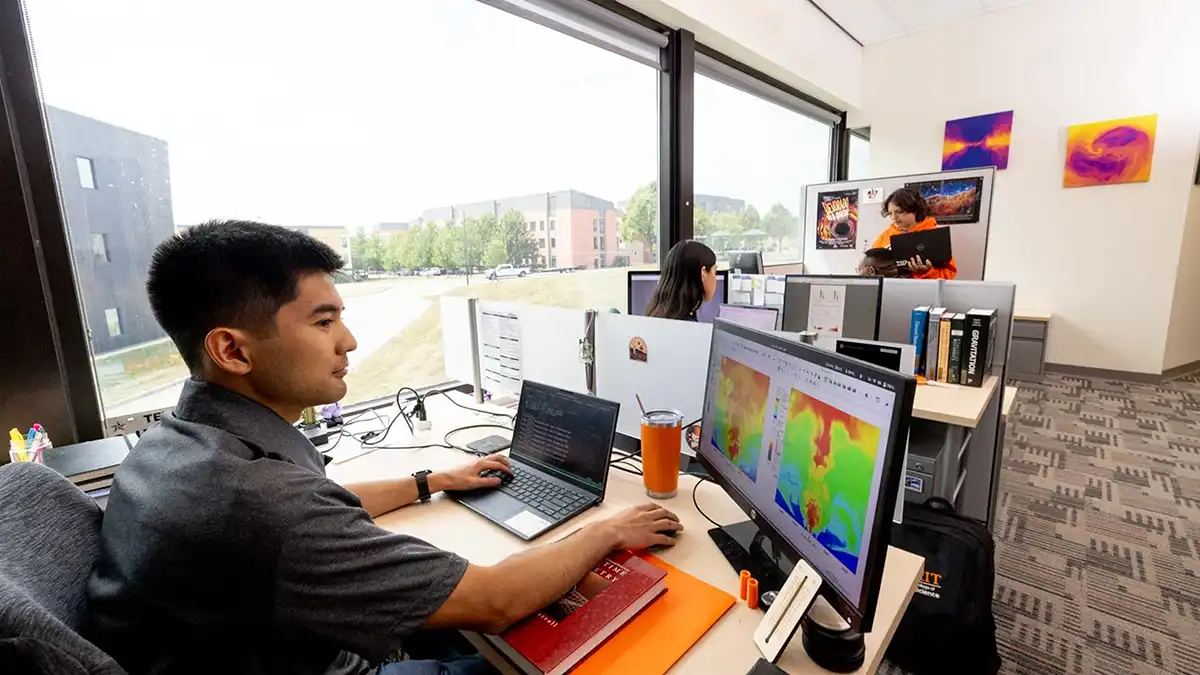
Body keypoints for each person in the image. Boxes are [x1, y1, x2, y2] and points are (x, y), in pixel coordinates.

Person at [87, 220, 682, 675]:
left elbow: (320, 500)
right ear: (233, 351)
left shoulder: (171, 445)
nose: (348, 340)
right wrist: (606, 531)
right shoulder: (259, 502)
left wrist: (432, 482)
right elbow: (495, 599)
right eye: (323, 323)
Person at [872, 188, 958, 279]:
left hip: (922, 291)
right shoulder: (885, 237)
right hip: (890, 290)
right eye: (890, 213)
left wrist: (927, 272)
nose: (894, 217)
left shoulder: (934, 236)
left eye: (899, 212)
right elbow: (871, 266)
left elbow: (949, 274)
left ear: (915, 210)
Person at [644, 239, 718, 321]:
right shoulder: (688, 328)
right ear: (703, 273)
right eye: (715, 272)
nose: (715, 278)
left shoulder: (657, 313)